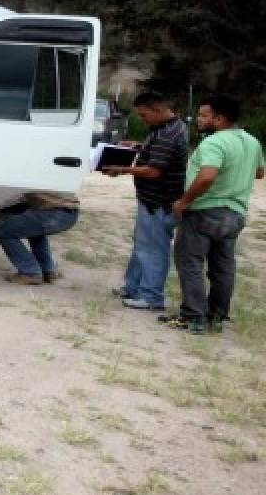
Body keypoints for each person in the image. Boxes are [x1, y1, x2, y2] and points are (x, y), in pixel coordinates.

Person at [162, 94, 264, 334]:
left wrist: (184, 201)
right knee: (223, 268)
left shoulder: (214, 142)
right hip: (235, 213)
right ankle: (216, 318)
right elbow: (260, 173)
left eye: (203, 115)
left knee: (190, 263)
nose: (198, 119)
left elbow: (207, 176)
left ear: (219, 119)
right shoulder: (251, 141)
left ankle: (193, 317)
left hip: (204, 211)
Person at [103, 92, 188, 311]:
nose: (143, 120)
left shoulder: (168, 133)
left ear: (158, 109)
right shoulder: (167, 128)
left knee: (154, 249)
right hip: (151, 201)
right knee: (142, 246)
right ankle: (133, 287)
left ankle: (151, 297)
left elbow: (153, 171)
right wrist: (139, 146)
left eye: (144, 115)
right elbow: (160, 154)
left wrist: (122, 169)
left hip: (159, 202)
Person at [0, 192, 81, 284]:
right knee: (34, 230)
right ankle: (48, 271)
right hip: (70, 213)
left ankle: (30, 273)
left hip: (53, 214)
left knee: (5, 231)